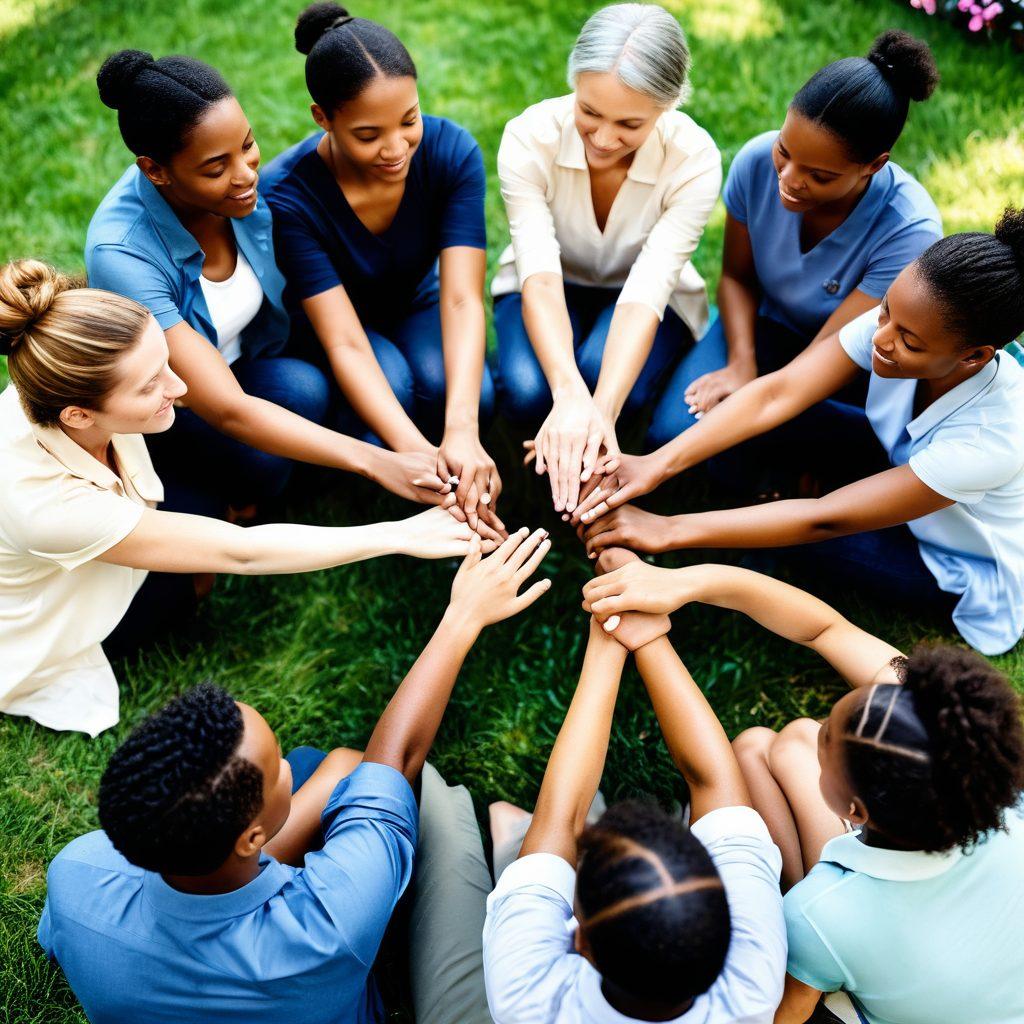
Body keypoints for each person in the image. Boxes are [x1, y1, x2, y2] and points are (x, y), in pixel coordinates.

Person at [38, 528, 553, 1024]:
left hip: (203, 904)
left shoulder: (77, 874)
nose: (286, 768)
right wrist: (462, 617)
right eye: (274, 767)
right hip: (316, 960)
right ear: (252, 839)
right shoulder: (329, 925)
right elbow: (397, 763)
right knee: (423, 797)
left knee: (334, 768)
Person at [0, 259, 485, 736]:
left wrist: (382, 461)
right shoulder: (44, 506)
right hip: (50, 613)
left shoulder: (63, 383)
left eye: (166, 362)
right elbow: (242, 552)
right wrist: (400, 533)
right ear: (79, 416)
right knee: (196, 576)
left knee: (218, 488)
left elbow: (233, 408)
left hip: (103, 518)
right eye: (152, 386)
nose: (180, 385)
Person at [582, 559, 1024, 1024]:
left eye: (826, 743)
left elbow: (784, 1016)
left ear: (854, 810)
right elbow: (824, 629)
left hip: (867, 973)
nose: (820, 730)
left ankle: (780, 879)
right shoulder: (998, 802)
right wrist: (683, 582)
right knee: (764, 747)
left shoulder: (821, 916)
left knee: (762, 753)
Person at [575, 207, 1024, 655]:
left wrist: (667, 528)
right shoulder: (906, 319)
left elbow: (825, 518)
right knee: (744, 420)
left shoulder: (992, 437)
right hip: (905, 468)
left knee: (800, 539)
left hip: (953, 561)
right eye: (884, 310)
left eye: (909, 342)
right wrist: (656, 464)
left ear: (974, 357)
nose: (882, 339)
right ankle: (770, 499)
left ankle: (769, 509)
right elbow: (779, 393)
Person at [87, 50, 448, 516]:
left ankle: (300, 473)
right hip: (182, 404)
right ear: (155, 170)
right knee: (298, 398)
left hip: (259, 350)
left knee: (390, 380)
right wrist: (376, 462)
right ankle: (240, 493)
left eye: (248, 145)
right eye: (217, 168)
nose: (246, 176)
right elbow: (226, 407)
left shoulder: (243, 194)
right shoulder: (123, 253)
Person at [647, 30, 941, 457]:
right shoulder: (754, 161)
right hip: (763, 326)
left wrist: (757, 394)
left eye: (819, 176)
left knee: (749, 441)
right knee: (671, 431)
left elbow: (829, 352)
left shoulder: (909, 229)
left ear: (874, 166)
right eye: (784, 151)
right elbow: (735, 277)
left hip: (847, 363)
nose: (787, 180)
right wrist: (741, 363)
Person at [263, 3, 500, 531]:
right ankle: (360, 448)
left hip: (418, 300)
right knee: (391, 387)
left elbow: (462, 298)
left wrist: (462, 430)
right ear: (323, 118)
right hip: (339, 327)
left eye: (409, 121)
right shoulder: (288, 198)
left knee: (469, 394)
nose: (396, 149)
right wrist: (416, 456)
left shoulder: (452, 152)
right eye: (368, 135)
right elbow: (344, 339)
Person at [482, 612, 786, 1022]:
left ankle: (511, 844)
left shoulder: (530, 997)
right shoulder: (751, 985)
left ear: (580, 941)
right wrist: (647, 632)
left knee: (459, 832)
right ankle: (523, 853)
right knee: (534, 858)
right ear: (730, 922)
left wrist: (607, 640)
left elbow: (560, 815)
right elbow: (714, 782)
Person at [492, 2, 721, 514]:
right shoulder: (529, 137)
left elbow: (648, 288)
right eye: (589, 112)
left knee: (613, 380)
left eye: (630, 123)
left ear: (669, 105)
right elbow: (540, 273)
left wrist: (600, 410)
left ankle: (584, 457)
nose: (603, 137)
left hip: (644, 295)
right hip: (550, 282)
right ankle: (541, 482)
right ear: (574, 83)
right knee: (532, 392)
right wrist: (569, 393)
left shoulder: (695, 160)